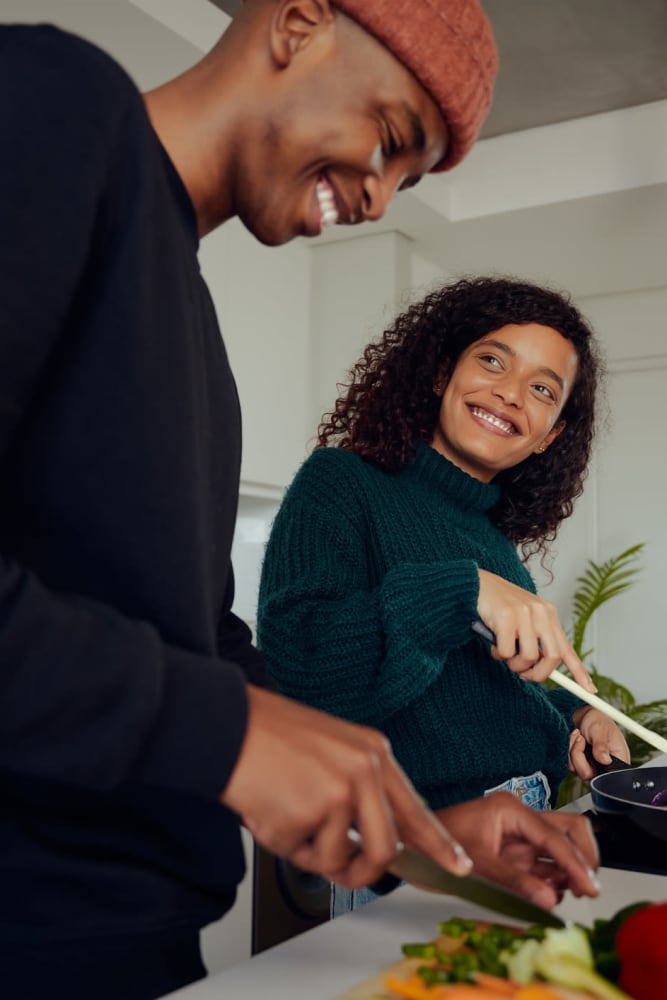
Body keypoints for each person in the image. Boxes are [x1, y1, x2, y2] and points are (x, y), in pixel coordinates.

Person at [0, 4, 600, 997]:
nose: (378, 199)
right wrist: (225, 729)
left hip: (134, 948)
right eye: (392, 138)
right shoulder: (58, 105)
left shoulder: (192, 334)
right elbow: (205, 700)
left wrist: (418, 832)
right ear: (297, 24)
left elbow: (190, 647)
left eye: (408, 179)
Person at [257, 275, 630, 914]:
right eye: (492, 360)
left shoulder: (494, 540)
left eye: (542, 389)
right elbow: (299, 674)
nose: (511, 393)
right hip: (418, 847)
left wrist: (575, 720)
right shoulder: (340, 483)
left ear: (548, 435)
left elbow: (493, 690)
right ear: (438, 374)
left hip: (527, 820)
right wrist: (459, 590)